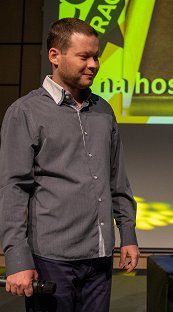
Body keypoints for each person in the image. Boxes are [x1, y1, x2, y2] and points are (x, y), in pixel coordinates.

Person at [0, 18, 139, 311]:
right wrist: (16, 258)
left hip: (99, 257)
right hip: (52, 259)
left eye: (96, 56)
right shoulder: (25, 112)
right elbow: (13, 190)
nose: (94, 64)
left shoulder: (104, 110)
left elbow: (117, 180)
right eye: (84, 57)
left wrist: (128, 235)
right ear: (55, 56)